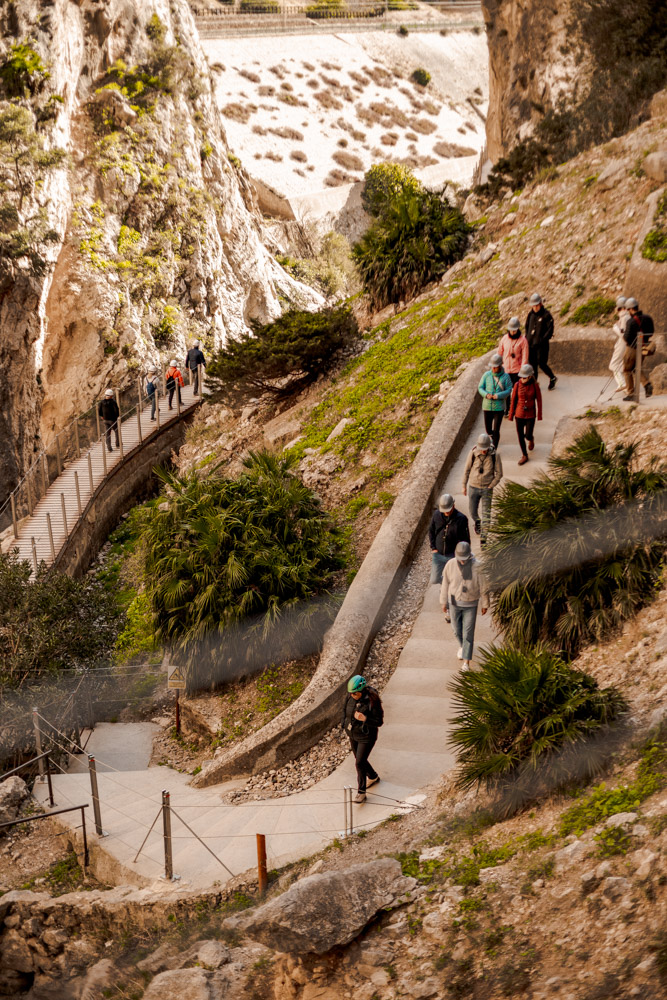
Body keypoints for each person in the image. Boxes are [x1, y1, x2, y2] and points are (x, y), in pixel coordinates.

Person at [440, 541, 489, 671]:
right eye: (460, 559)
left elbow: (484, 587)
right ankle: (462, 646)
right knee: (456, 629)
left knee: (468, 633)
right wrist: (443, 602)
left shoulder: (478, 567)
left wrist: (485, 604)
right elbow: (445, 584)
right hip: (454, 603)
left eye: (464, 559)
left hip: (471, 603)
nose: (462, 562)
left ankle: (466, 662)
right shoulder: (450, 564)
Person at [342, 675, 384, 803]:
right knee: (360, 760)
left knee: (359, 763)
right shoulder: (350, 697)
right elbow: (344, 712)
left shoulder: (372, 701)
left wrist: (364, 719)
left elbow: (379, 722)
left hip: (366, 736)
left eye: (355, 694)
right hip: (353, 734)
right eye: (351, 693)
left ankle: (361, 792)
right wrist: (344, 725)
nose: (352, 696)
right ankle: (373, 776)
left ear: (362, 691)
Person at [462, 432, 503, 547]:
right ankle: (477, 522)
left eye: (485, 449)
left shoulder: (495, 455)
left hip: (487, 489)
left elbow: (499, 473)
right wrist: (463, 485)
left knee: (487, 515)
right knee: (472, 512)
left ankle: (484, 539)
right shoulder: (473, 453)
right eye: (482, 449)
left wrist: (491, 485)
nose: (483, 451)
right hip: (473, 487)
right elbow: (466, 470)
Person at [428, 493, 470, 585]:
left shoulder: (461, 519)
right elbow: (431, 531)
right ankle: (445, 584)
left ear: (453, 506)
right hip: (438, 554)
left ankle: (447, 590)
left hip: (452, 555)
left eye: (448, 510)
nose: (446, 512)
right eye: (444, 511)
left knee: (456, 580)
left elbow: (465, 539)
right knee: (434, 580)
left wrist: (463, 555)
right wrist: (433, 548)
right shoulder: (436, 515)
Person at [508, 363, 542, 465]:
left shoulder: (535, 386)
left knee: (527, 434)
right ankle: (524, 455)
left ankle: (531, 439)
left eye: (525, 377)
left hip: (531, 414)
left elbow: (539, 400)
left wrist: (539, 414)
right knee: (520, 435)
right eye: (522, 377)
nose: (523, 379)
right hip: (519, 414)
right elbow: (513, 400)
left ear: (530, 376)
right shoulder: (517, 385)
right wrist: (511, 414)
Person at [622, 298, 654, 401]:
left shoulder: (630, 321)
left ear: (631, 309)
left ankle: (631, 394)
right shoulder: (648, 318)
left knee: (627, 370)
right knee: (637, 368)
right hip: (644, 347)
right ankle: (647, 384)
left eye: (628, 310)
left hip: (632, 348)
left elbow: (626, 337)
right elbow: (651, 332)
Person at [478, 353, 512, 446]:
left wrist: (498, 396)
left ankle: (494, 447)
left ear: (500, 366)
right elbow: (480, 387)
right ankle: (492, 439)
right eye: (492, 366)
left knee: (496, 429)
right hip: (487, 406)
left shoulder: (506, 377)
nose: (493, 369)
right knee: (488, 429)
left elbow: (509, 390)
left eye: (495, 367)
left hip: (499, 407)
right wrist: (486, 395)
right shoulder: (486, 375)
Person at [525, 293, 557, 390]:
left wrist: (542, 340)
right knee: (533, 365)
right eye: (533, 305)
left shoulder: (546, 315)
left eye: (536, 305)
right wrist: (527, 338)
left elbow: (550, 330)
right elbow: (527, 327)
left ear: (541, 304)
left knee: (542, 363)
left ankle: (552, 377)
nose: (535, 307)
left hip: (541, 346)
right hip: (531, 345)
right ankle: (535, 384)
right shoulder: (530, 314)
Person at [497, 317, 529, 414]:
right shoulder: (504, 339)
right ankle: (507, 409)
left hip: (517, 370)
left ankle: (519, 407)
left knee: (518, 390)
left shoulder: (523, 340)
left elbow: (525, 356)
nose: (513, 332)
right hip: (506, 369)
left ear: (518, 329)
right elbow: (499, 352)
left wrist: (523, 370)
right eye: (511, 330)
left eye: (514, 330)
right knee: (507, 391)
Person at [609, 297, 629, 392]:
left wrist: (615, 328)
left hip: (622, 344)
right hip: (628, 344)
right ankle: (627, 386)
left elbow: (623, 333)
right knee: (622, 365)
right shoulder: (629, 316)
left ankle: (622, 384)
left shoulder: (624, 317)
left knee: (614, 364)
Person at [98, 388, 119, 452]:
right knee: (116, 431)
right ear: (111, 396)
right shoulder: (113, 402)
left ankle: (109, 447)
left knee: (108, 433)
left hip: (105, 420)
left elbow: (99, 411)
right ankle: (118, 444)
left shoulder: (101, 402)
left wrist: (102, 416)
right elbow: (116, 411)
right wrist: (116, 417)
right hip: (112, 420)